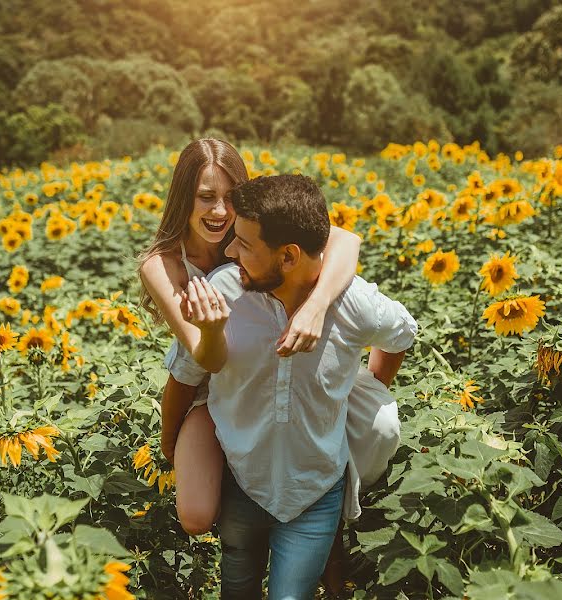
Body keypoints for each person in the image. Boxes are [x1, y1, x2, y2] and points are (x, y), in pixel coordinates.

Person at [167, 174, 418, 599]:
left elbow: (401, 334)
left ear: (288, 257)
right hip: (241, 478)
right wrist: (170, 448)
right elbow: (184, 376)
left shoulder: (352, 303)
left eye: (244, 244)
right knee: (238, 589)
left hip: (314, 491)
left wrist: (368, 386)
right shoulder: (223, 292)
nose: (229, 252)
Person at [137, 139, 366, 536]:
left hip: (285, 368)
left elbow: (346, 240)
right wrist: (169, 444)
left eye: (229, 197)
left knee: (374, 431)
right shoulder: (163, 266)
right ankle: (243, 499)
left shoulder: (253, 233)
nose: (220, 211)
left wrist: (316, 306)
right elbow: (197, 363)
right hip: (215, 385)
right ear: (182, 199)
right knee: (194, 517)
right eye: (205, 197)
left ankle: (331, 525)